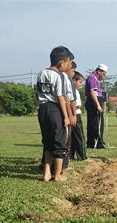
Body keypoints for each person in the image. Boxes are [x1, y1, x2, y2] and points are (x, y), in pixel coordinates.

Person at [36, 46, 73, 181]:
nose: (69, 66)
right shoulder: (60, 76)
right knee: (59, 141)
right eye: (68, 63)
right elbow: (61, 97)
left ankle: (46, 173)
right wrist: (66, 116)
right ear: (61, 62)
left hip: (42, 109)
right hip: (55, 109)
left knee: (48, 142)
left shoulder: (41, 73)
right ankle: (57, 174)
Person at [85, 64, 108, 149]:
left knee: (93, 123)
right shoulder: (93, 78)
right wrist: (98, 105)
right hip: (94, 102)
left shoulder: (94, 78)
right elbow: (92, 92)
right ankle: (99, 143)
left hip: (94, 101)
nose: (104, 75)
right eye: (104, 73)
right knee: (98, 123)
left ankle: (91, 143)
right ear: (99, 71)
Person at [70, 71, 87, 161]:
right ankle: (82, 156)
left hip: (74, 113)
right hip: (75, 114)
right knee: (79, 136)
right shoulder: (73, 91)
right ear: (74, 81)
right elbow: (74, 104)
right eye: (80, 82)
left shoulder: (74, 90)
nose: (81, 84)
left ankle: (71, 155)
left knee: (73, 136)